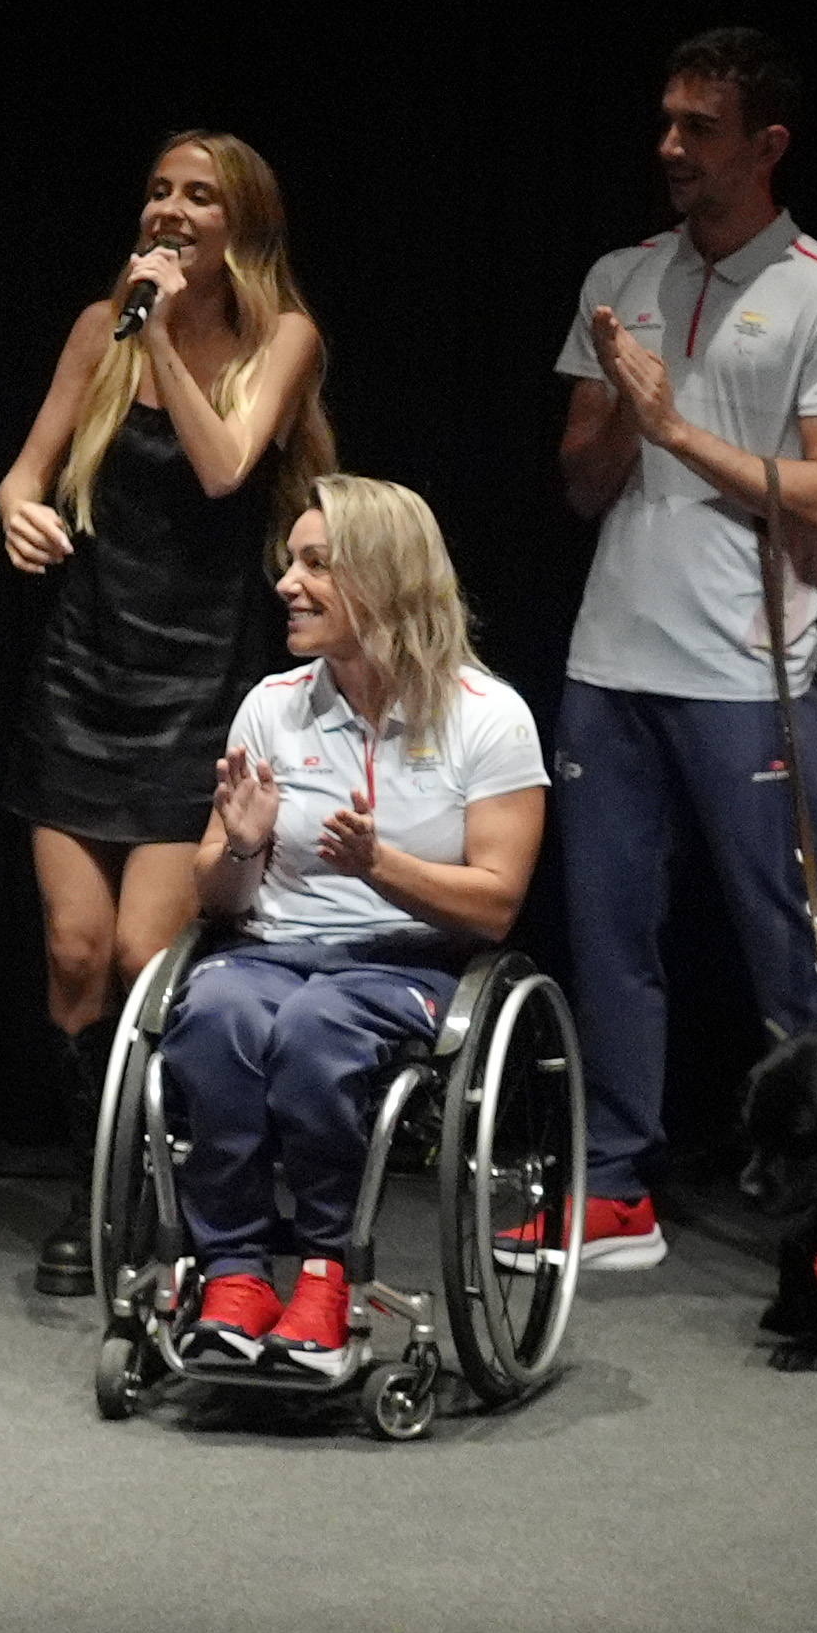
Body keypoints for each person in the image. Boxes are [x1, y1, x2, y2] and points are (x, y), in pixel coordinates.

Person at [548, 28, 817, 1268]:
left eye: (700, 127)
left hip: (751, 679)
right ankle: (621, 1182)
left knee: (791, 947)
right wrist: (628, 425)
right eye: (667, 121)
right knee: (610, 936)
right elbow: (581, 485)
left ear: (768, 144)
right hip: (611, 666)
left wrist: (676, 428)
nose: (671, 147)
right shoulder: (621, 273)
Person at [0, 130, 333, 1297]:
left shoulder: (280, 341)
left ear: (241, 224)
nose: (172, 212)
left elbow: (229, 468)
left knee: (146, 953)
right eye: (159, 192)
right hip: (84, 675)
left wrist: (166, 337)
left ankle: (154, 1184)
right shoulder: (100, 332)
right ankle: (96, 1190)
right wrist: (18, 512)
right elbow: (23, 472)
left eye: (200, 197)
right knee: (75, 951)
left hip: (198, 685)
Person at [171, 479, 549, 1374]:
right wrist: (244, 848)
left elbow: (496, 902)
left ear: (383, 580)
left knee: (315, 1032)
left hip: (410, 967)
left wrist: (383, 867)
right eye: (289, 562)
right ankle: (233, 1272)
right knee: (214, 1015)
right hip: (273, 949)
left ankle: (327, 1274)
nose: (287, 584)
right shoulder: (274, 705)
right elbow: (214, 897)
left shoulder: (489, 719)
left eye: (315, 565)